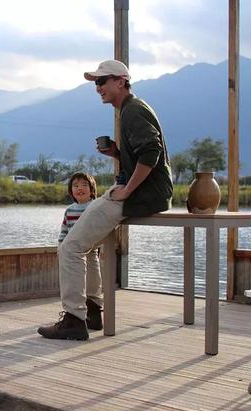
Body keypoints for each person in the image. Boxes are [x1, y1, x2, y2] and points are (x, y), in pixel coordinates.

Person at [38, 60, 173, 340]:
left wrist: (126, 189)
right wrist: (117, 153)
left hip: (142, 195)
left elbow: (151, 152)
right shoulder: (129, 109)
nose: (98, 87)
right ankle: (92, 313)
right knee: (80, 247)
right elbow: (143, 154)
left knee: (70, 247)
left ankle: (75, 320)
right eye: (96, 83)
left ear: (121, 81)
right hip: (144, 192)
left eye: (103, 81)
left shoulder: (133, 110)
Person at [57, 172, 103, 331]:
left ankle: (93, 308)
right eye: (75, 186)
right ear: (71, 190)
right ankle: (83, 311)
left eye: (84, 185)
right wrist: (61, 246)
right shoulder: (70, 210)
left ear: (92, 189)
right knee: (77, 277)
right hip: (72, 250)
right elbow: (64, 230)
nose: (80, 188)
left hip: (90, 247)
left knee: (92, 272)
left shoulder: (95, 206)